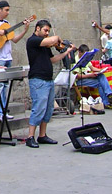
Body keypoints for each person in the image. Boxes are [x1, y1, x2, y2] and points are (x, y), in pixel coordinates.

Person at [25, 19, 76, 148]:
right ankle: (30, 137)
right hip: (38, 80)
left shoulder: (45, 45)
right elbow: (53, 41)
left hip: (48, 79)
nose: (47, 33)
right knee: (39, 108)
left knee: (48, 109)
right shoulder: (33, 41)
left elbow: (52, 59)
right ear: (37, 29)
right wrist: (58, 39)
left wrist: (66, 52)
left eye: (48, 31)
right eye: (45, 30)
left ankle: (42, 135)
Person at [0, 0, 30, 122]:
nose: (8, 12)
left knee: (5, 86)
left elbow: (14, 39)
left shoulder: (6, 23)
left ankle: (4, 110)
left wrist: (25, 30)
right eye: (6, 10)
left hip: (7, 58)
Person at [73, 44, 112, 109]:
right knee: (100, 83)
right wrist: (90, 75)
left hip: (87, 75)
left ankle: (109, 94)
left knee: (101, 75)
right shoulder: (75, 60)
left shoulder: (85, 58)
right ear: (79, 52)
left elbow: (92, 68)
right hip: (79, 80)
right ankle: (106, 102)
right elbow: (77, 76)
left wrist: (101, 70)